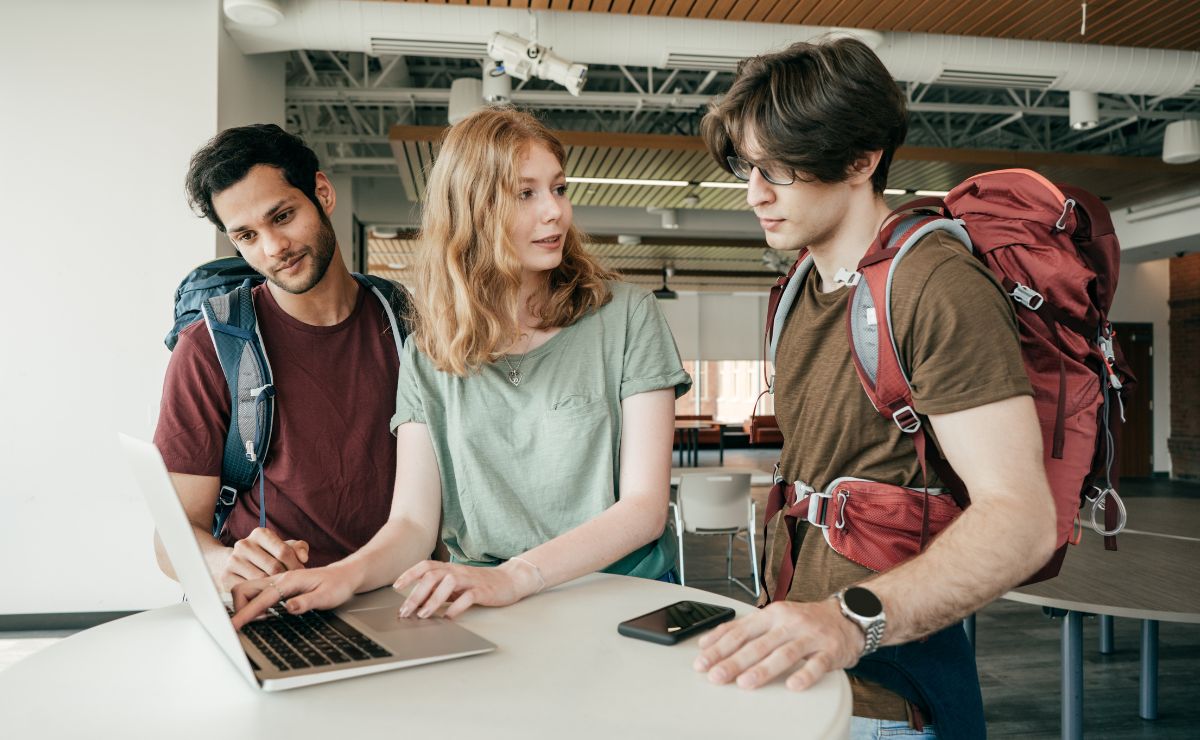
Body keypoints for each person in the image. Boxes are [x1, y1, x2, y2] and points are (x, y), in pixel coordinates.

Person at [691, 38, 1057, 739]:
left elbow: (1022, 519)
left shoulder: (935, 286)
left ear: (861, 161)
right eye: (749, 166)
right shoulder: (798, 287)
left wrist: (846, 619)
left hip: (894, 699)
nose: (754, 193)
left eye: (781, 169)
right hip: (803, 671)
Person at [230, 107, 690, 628]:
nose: (555, 212)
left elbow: (644, 508)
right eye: (525, 193)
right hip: (490, 604)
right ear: (470, 210)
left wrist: (514, 577)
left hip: (623, 599)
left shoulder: (627, 314)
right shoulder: (430, 351)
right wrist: (346, 575)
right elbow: (411, 522)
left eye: (558, 189)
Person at [154, 124, 408, 591]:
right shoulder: (208, 349)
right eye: (247, 236)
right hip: (278, 607)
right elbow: (171, 539)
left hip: (397, 594)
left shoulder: (406, 324)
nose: (273, 248)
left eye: (283, 216)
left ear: (323, 193)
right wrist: (222, 563)